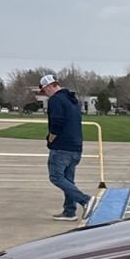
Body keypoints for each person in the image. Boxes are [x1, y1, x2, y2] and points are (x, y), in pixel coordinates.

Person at [39, 74, 91, 221]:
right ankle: (69, 211)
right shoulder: (72, 100)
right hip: (76, 146)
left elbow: (57, 123)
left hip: (62, 146)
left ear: (49, 87)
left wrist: (50, 139)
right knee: (68, 179)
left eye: (44, 90)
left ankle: (86, 200)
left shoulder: (56, 100)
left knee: (56, 177)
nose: (45, 93)